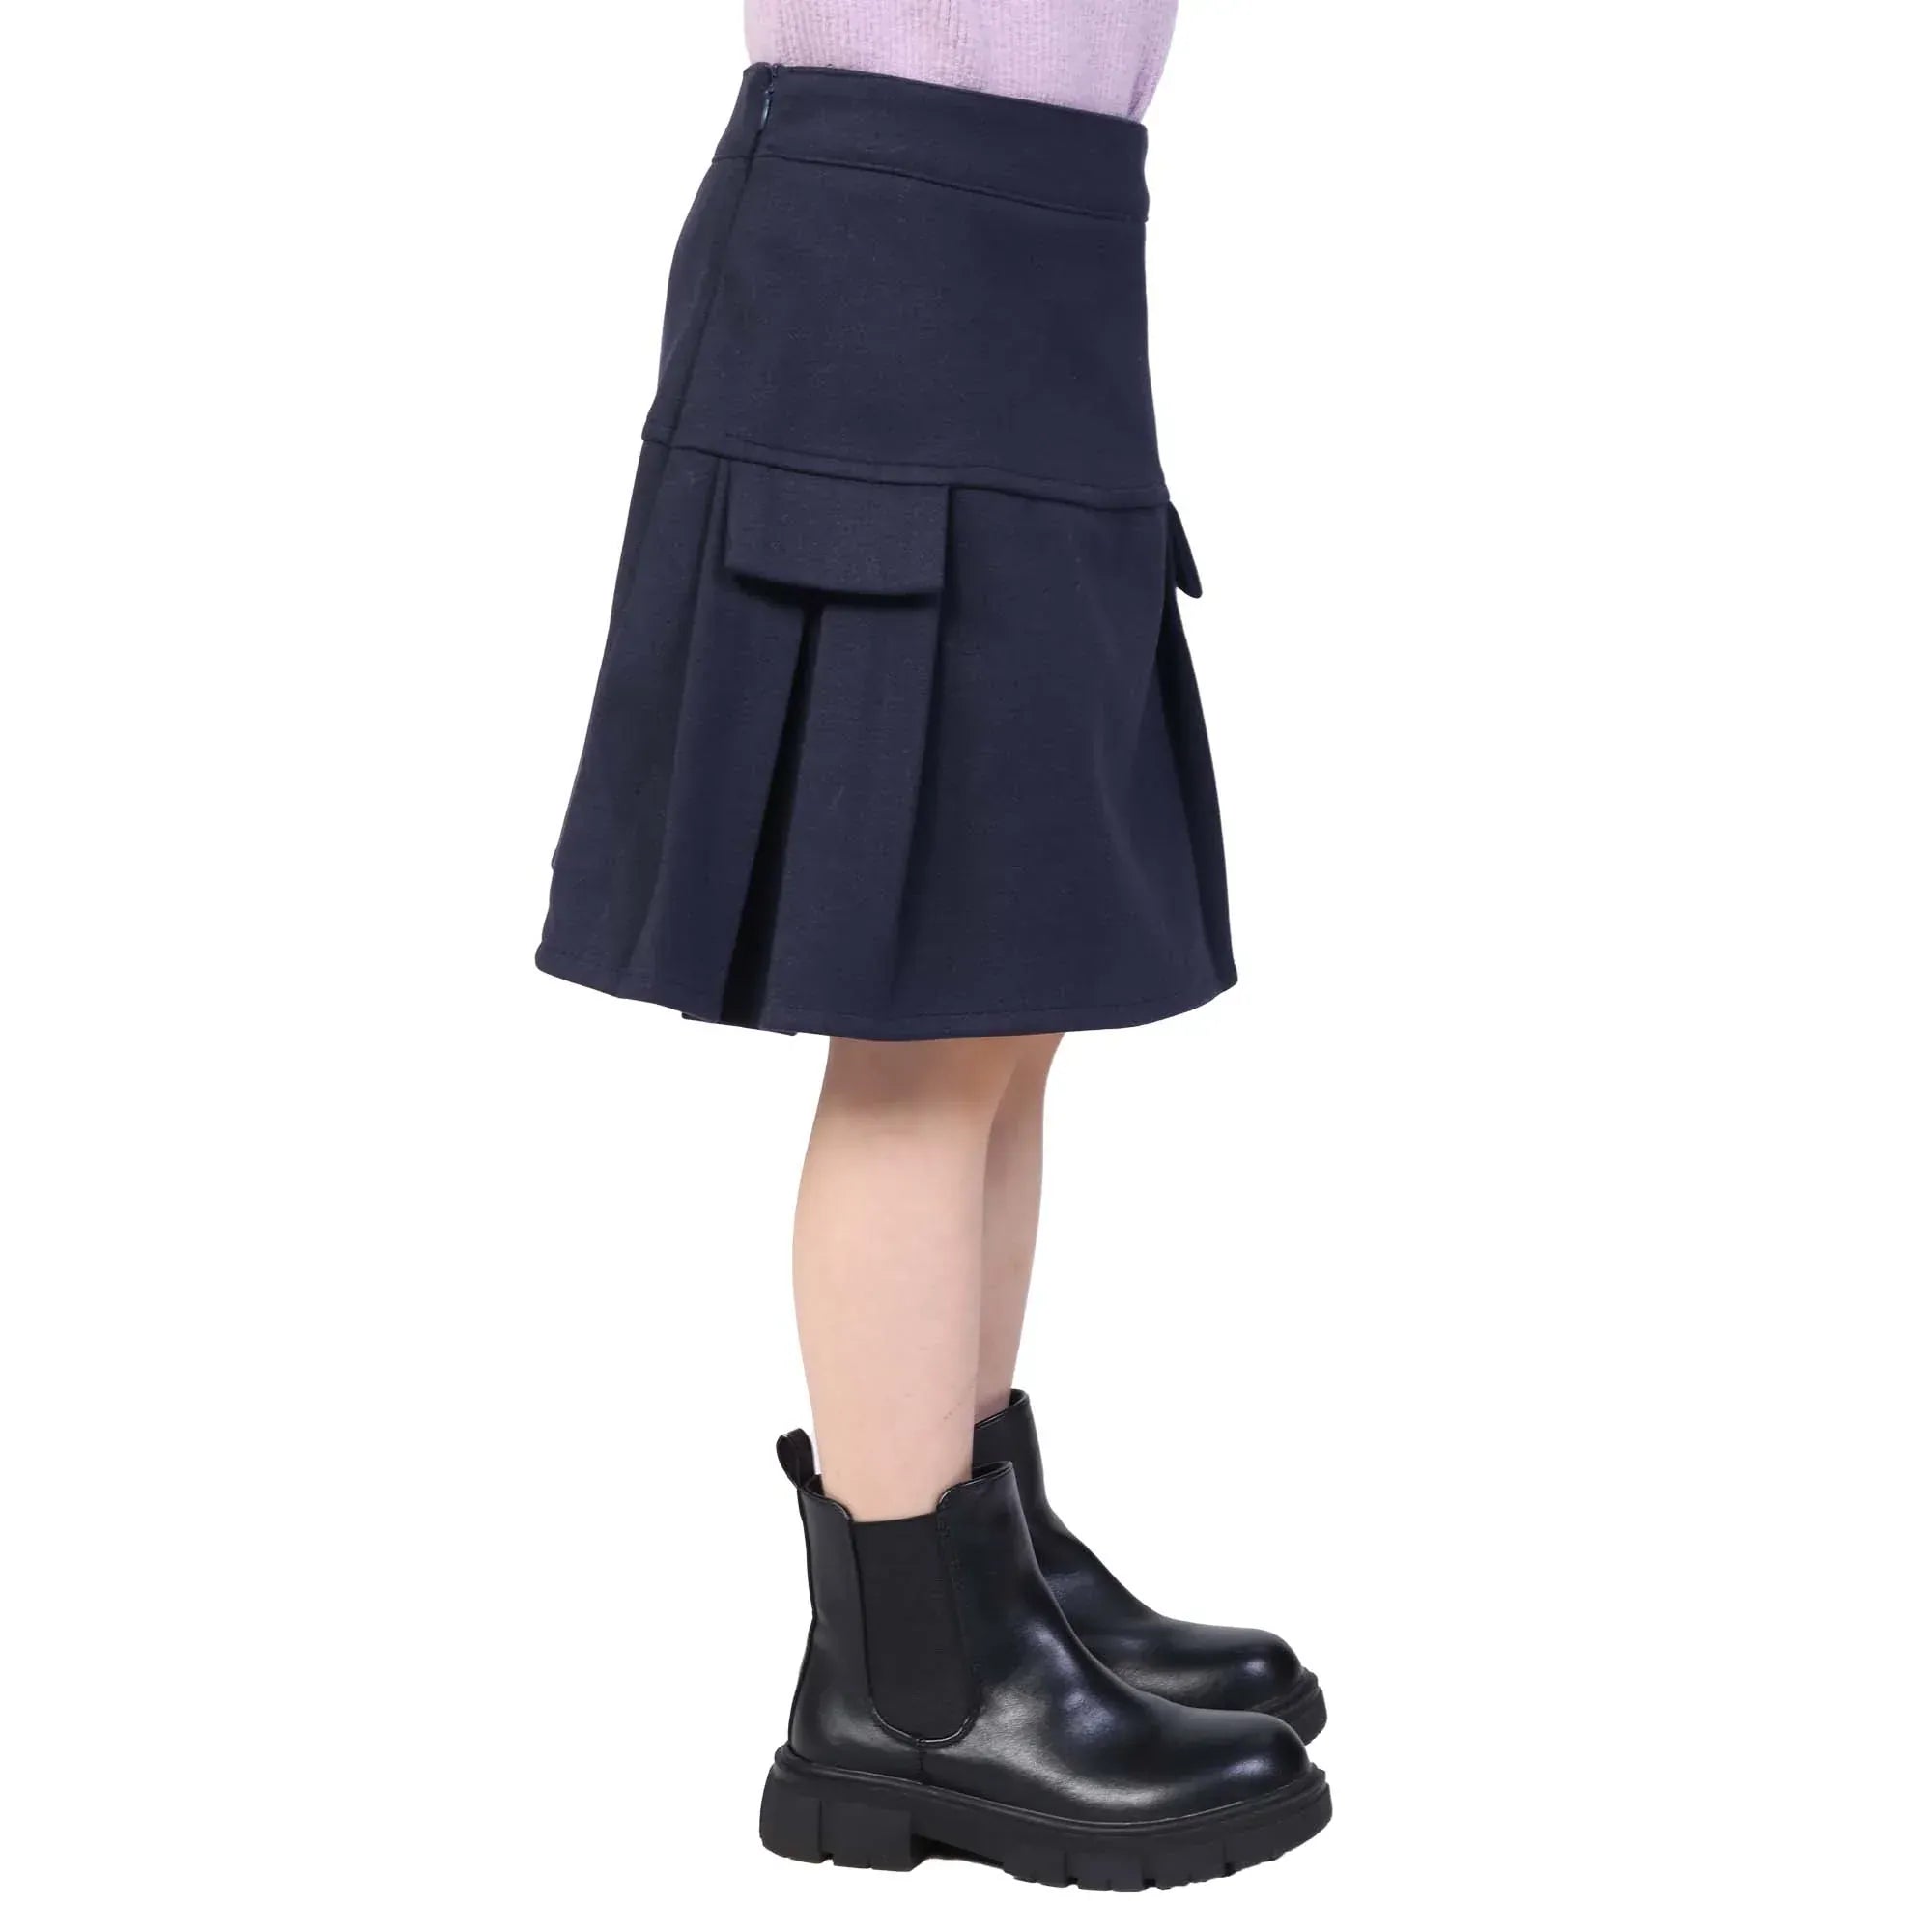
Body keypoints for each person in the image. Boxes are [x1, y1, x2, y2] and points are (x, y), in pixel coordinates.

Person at [536, 5, 1330, 1889]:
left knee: (1008, 1001)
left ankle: (975, 1563)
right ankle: (908, 1685)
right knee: (921, 1026)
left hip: (1050, 254)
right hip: (888, 264)